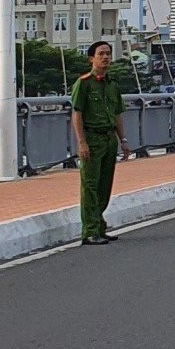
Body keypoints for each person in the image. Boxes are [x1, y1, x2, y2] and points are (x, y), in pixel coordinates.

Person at [70, 41, 126, 245]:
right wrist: (82, 142)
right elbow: (77, 114)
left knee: (105, 185)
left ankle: (99, 226)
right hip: (92, 139)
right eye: (101, 54)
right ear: (91, 58)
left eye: (108, 54)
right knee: (90, 186)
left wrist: (123, 140)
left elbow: (118, 113)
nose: (105, 57)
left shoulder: (113, 85)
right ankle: (90, 230)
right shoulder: (83, 83)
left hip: (109, 139)